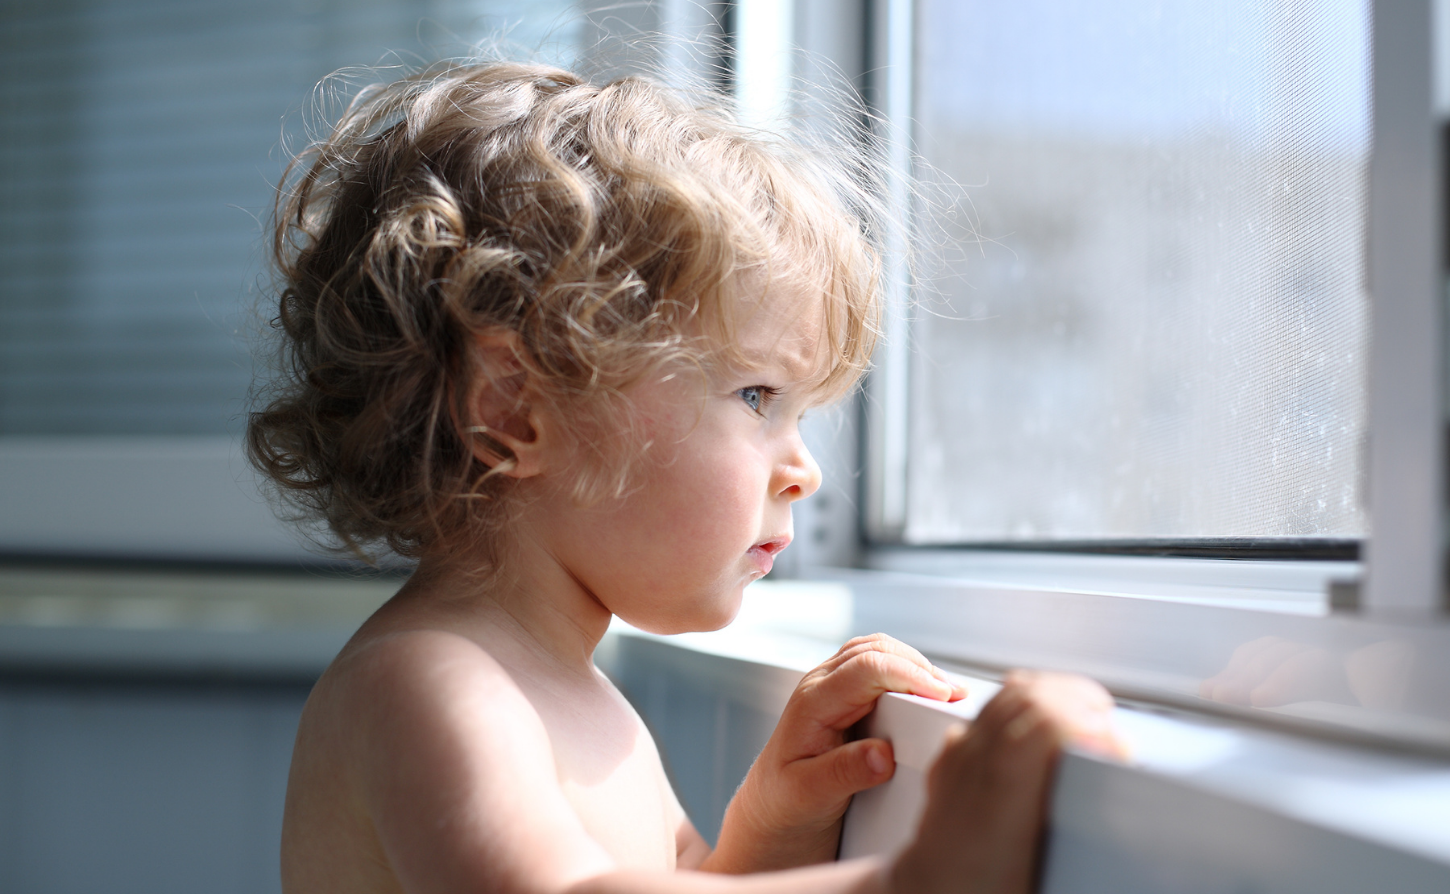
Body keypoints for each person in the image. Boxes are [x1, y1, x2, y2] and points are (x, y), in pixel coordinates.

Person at [248, 60, 1124, 894]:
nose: (805, 471)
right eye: (756, 395)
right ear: (515, 409)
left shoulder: (575, 693)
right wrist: (916, 878)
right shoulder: (429, 685)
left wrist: (773, 817)